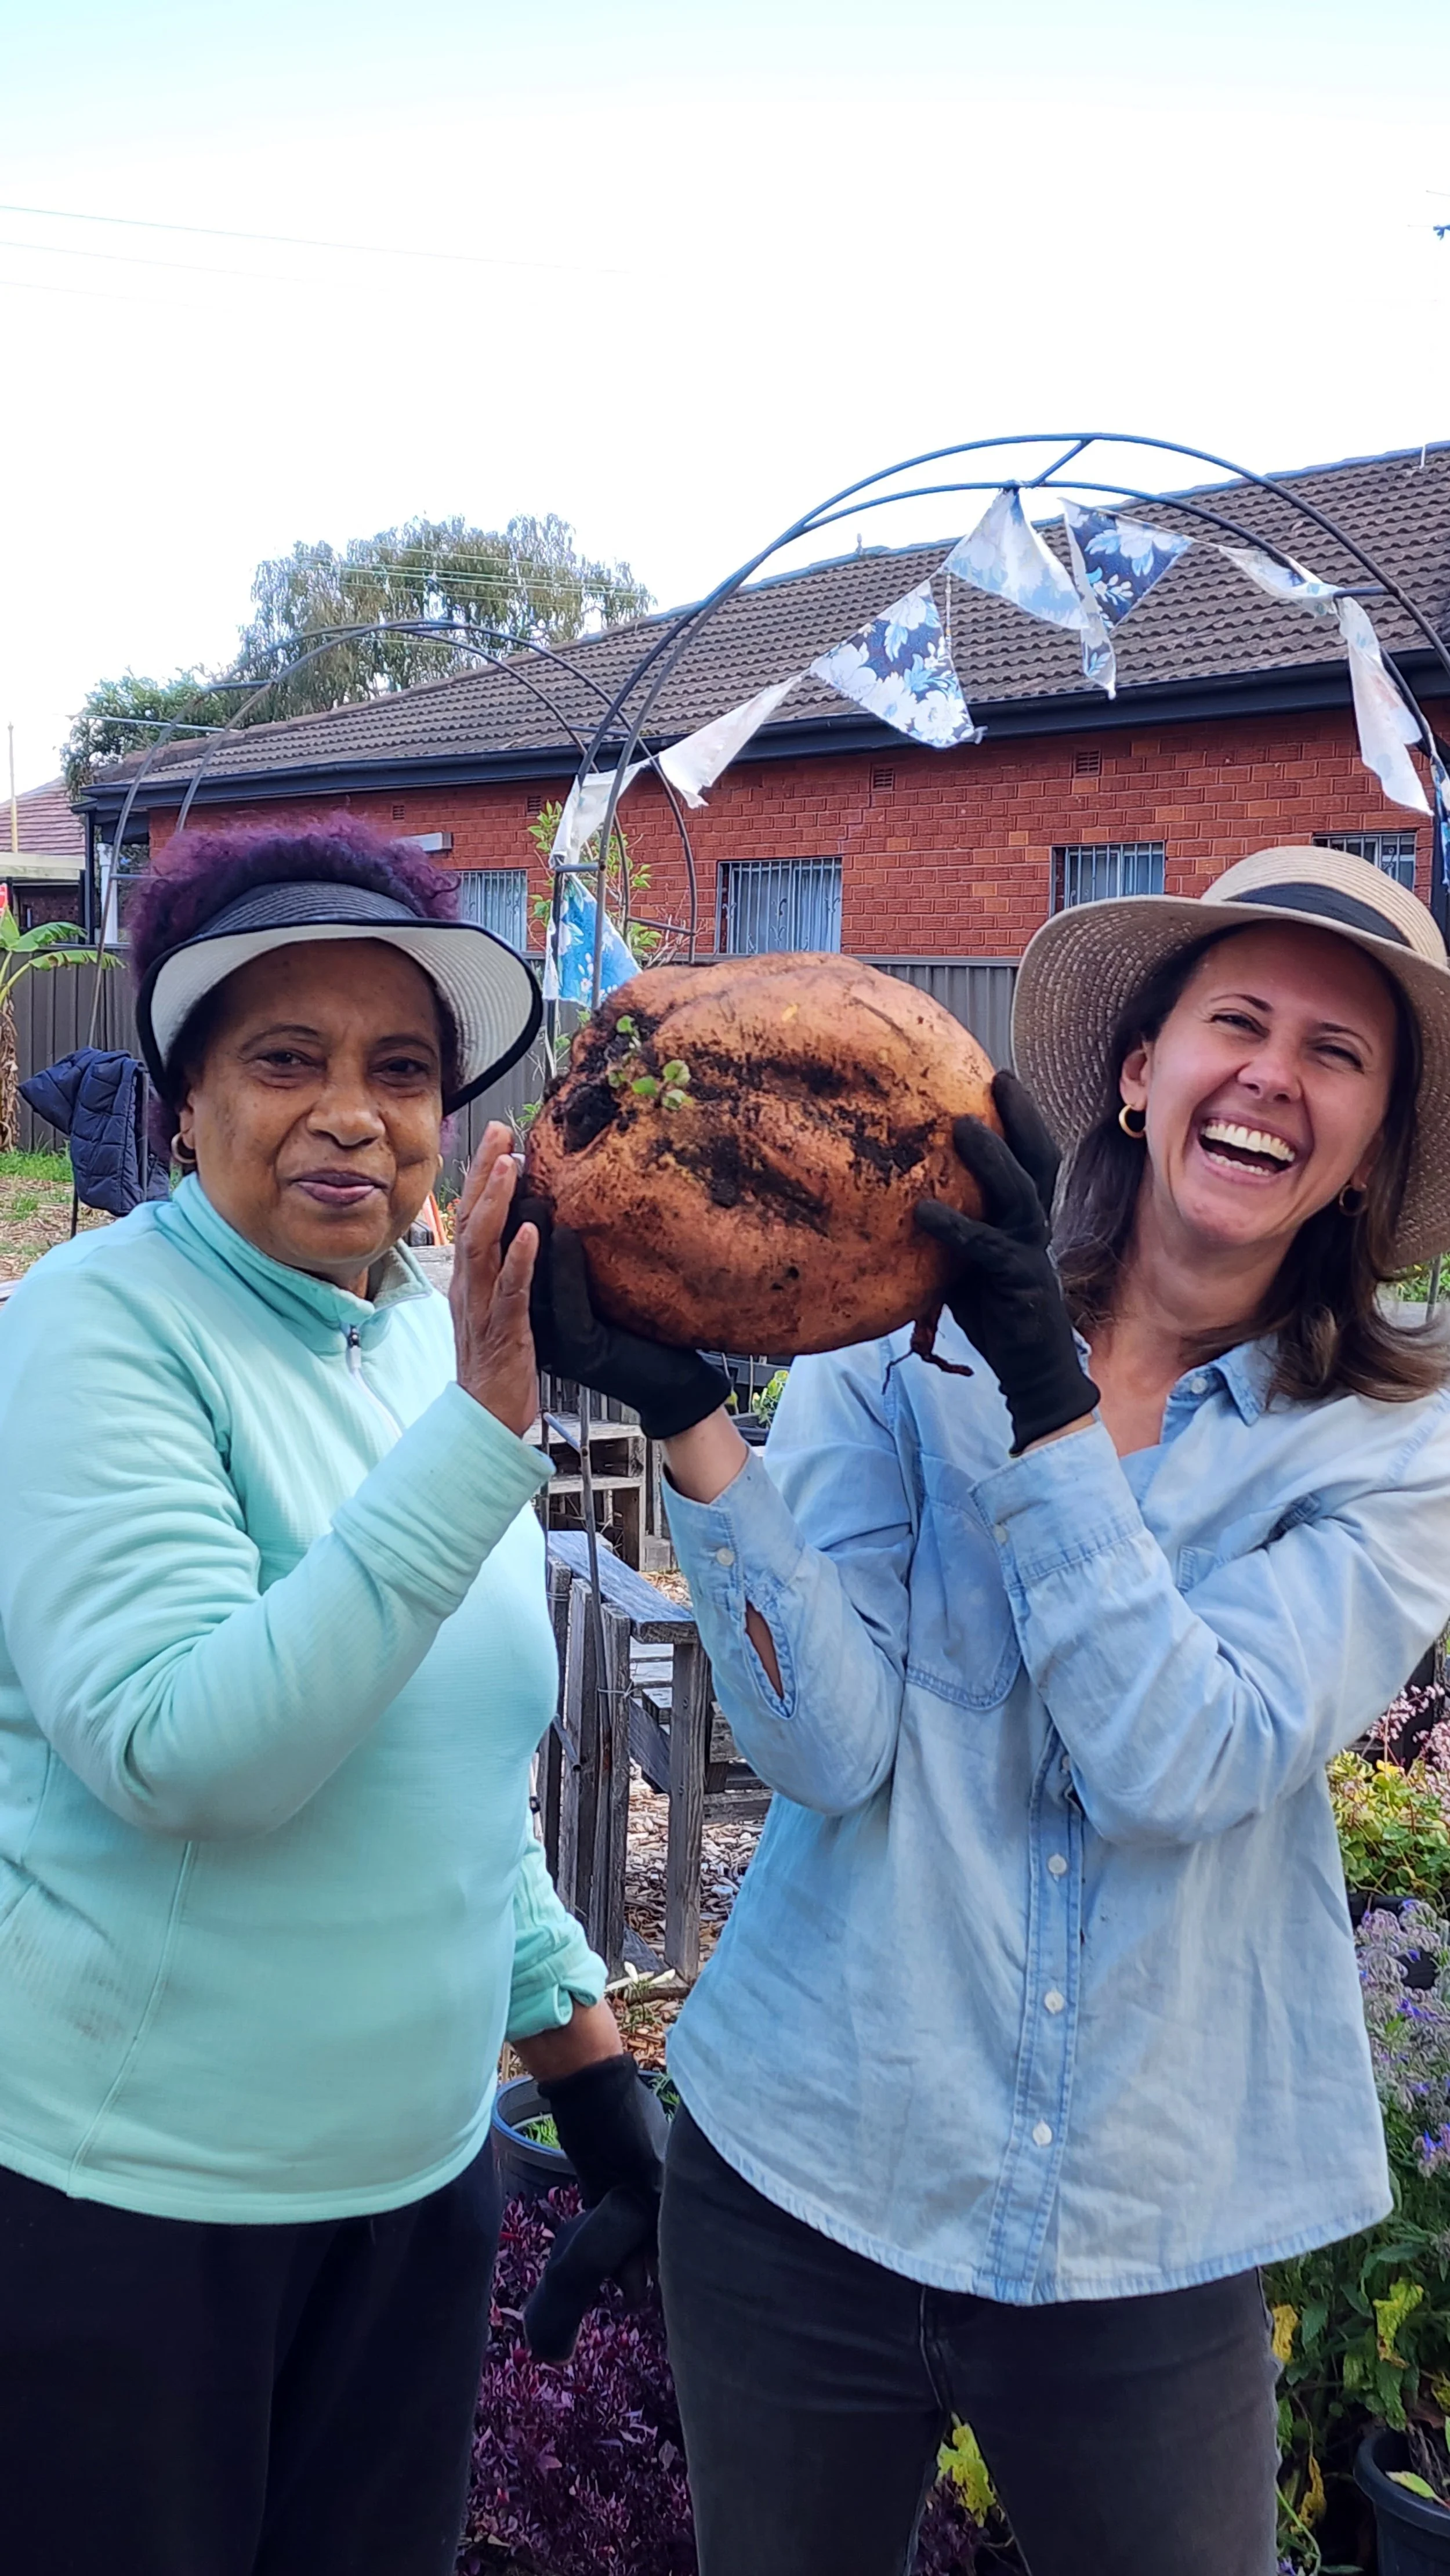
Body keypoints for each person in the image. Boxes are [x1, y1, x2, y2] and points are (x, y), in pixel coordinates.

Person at [533, 844, 1450, 2576]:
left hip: (1145, 2225)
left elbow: (1179, 1760)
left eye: (1337, 1054)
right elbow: (827, 1752)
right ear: (1136, 1073)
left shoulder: (1393, 1447)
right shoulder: (895, 1331)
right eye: (1233, 1021)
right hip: (808, 2163)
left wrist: (1040, 1391)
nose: (1272, 1073)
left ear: (1367, 1145)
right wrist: (693, 1429)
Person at [0, 818, 665, 2576]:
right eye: (283, 1060)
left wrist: (596, 2092)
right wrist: (479, 1441)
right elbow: (177, 1752)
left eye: (399, 1069)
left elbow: (450, 1784)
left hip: (416, 2190)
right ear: (183, 1097)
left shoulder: (419, 1343)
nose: (351, 1113)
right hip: (139, 2212)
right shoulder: (98, 1332)